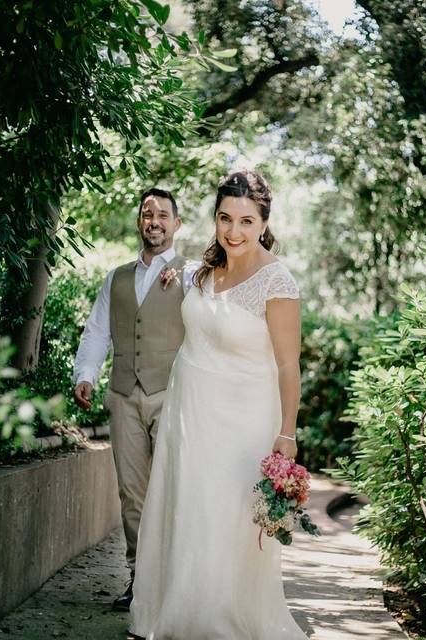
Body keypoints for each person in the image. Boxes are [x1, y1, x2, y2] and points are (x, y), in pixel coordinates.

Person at [129, 170, 307, 639]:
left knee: (225, 519)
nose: (233, 232)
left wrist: (287, 433)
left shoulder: (277, 282)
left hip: (243, 421)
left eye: (246, 221)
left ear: (264, 222)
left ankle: (216, 624)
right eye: (225, 218)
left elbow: (289, 366)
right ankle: (173, 614)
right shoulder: (205, 269)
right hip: (188, 415)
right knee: (184, 510)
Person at [71, 187, 197, 612]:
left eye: (163, 214)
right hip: (124, 394)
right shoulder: (117, 277)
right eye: (148, 214)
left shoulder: (193, 273)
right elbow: (97, 331)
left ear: (176, 225)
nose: (155, 221)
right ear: (139, 222)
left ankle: (174, 583)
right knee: (132, 494)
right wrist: (85, 374)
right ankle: (139, 580)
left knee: (173, 489)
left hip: (173, 394)